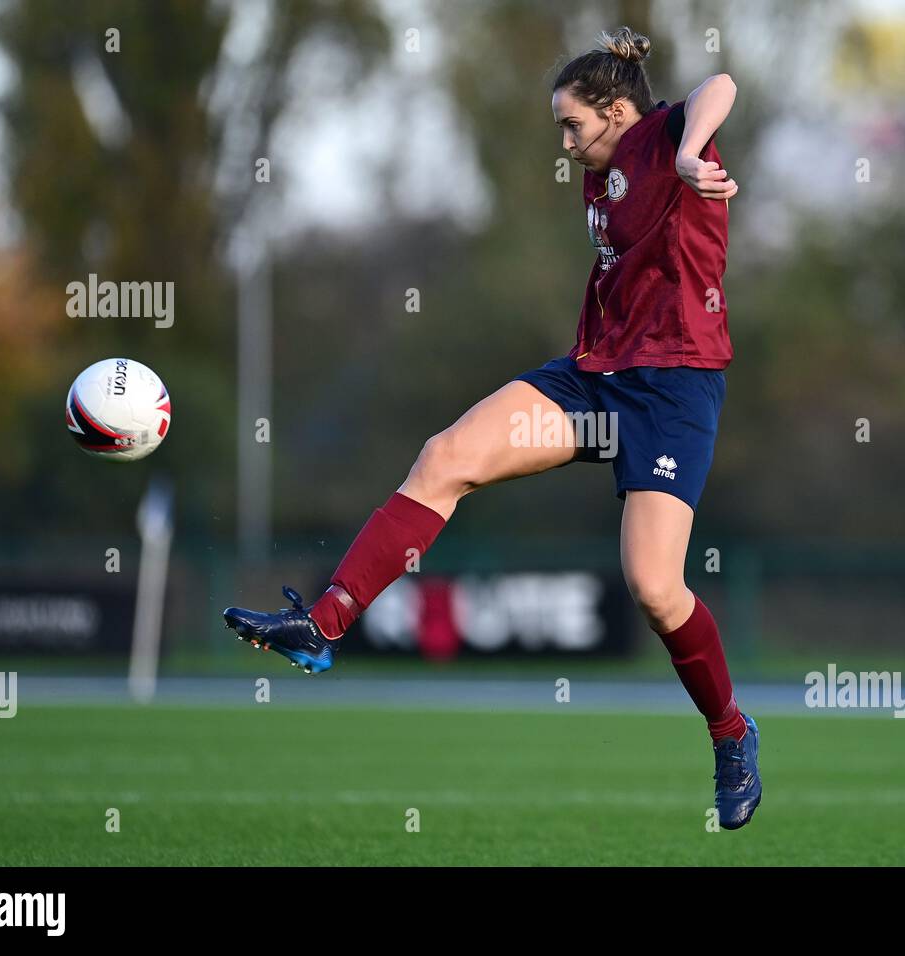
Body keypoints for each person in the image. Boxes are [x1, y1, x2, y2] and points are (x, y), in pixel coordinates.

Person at [223, 26, 760, 829]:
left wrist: (693, 150)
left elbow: (721, 83)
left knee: (654, 586)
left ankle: (730, 731)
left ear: (619, 113)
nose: (565, 140)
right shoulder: (605, 165)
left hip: (674, 390)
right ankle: (322, 623)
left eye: (573, 124)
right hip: (591, 373)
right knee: (445, 456)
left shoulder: (670, 142)